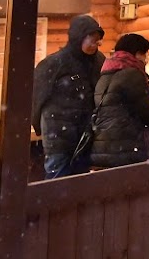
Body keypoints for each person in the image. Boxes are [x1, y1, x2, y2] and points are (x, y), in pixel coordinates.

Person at [33, 14, 104, 178]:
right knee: (57, 179)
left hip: (86, 134)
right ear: (79, 38)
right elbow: (38, 97)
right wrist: (38, 126)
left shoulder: (98, 61)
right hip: (58, 134)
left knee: (80, 181)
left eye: (97, 40)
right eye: (91, 39)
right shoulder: (54, 63)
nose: (95, 44)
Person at [89, 33, 149, 168]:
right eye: (144, 54)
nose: (146, 59)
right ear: (136, 53)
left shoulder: (105, 75)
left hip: (101, 148)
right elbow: (146, 112)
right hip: (125, 149)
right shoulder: (133, 74)